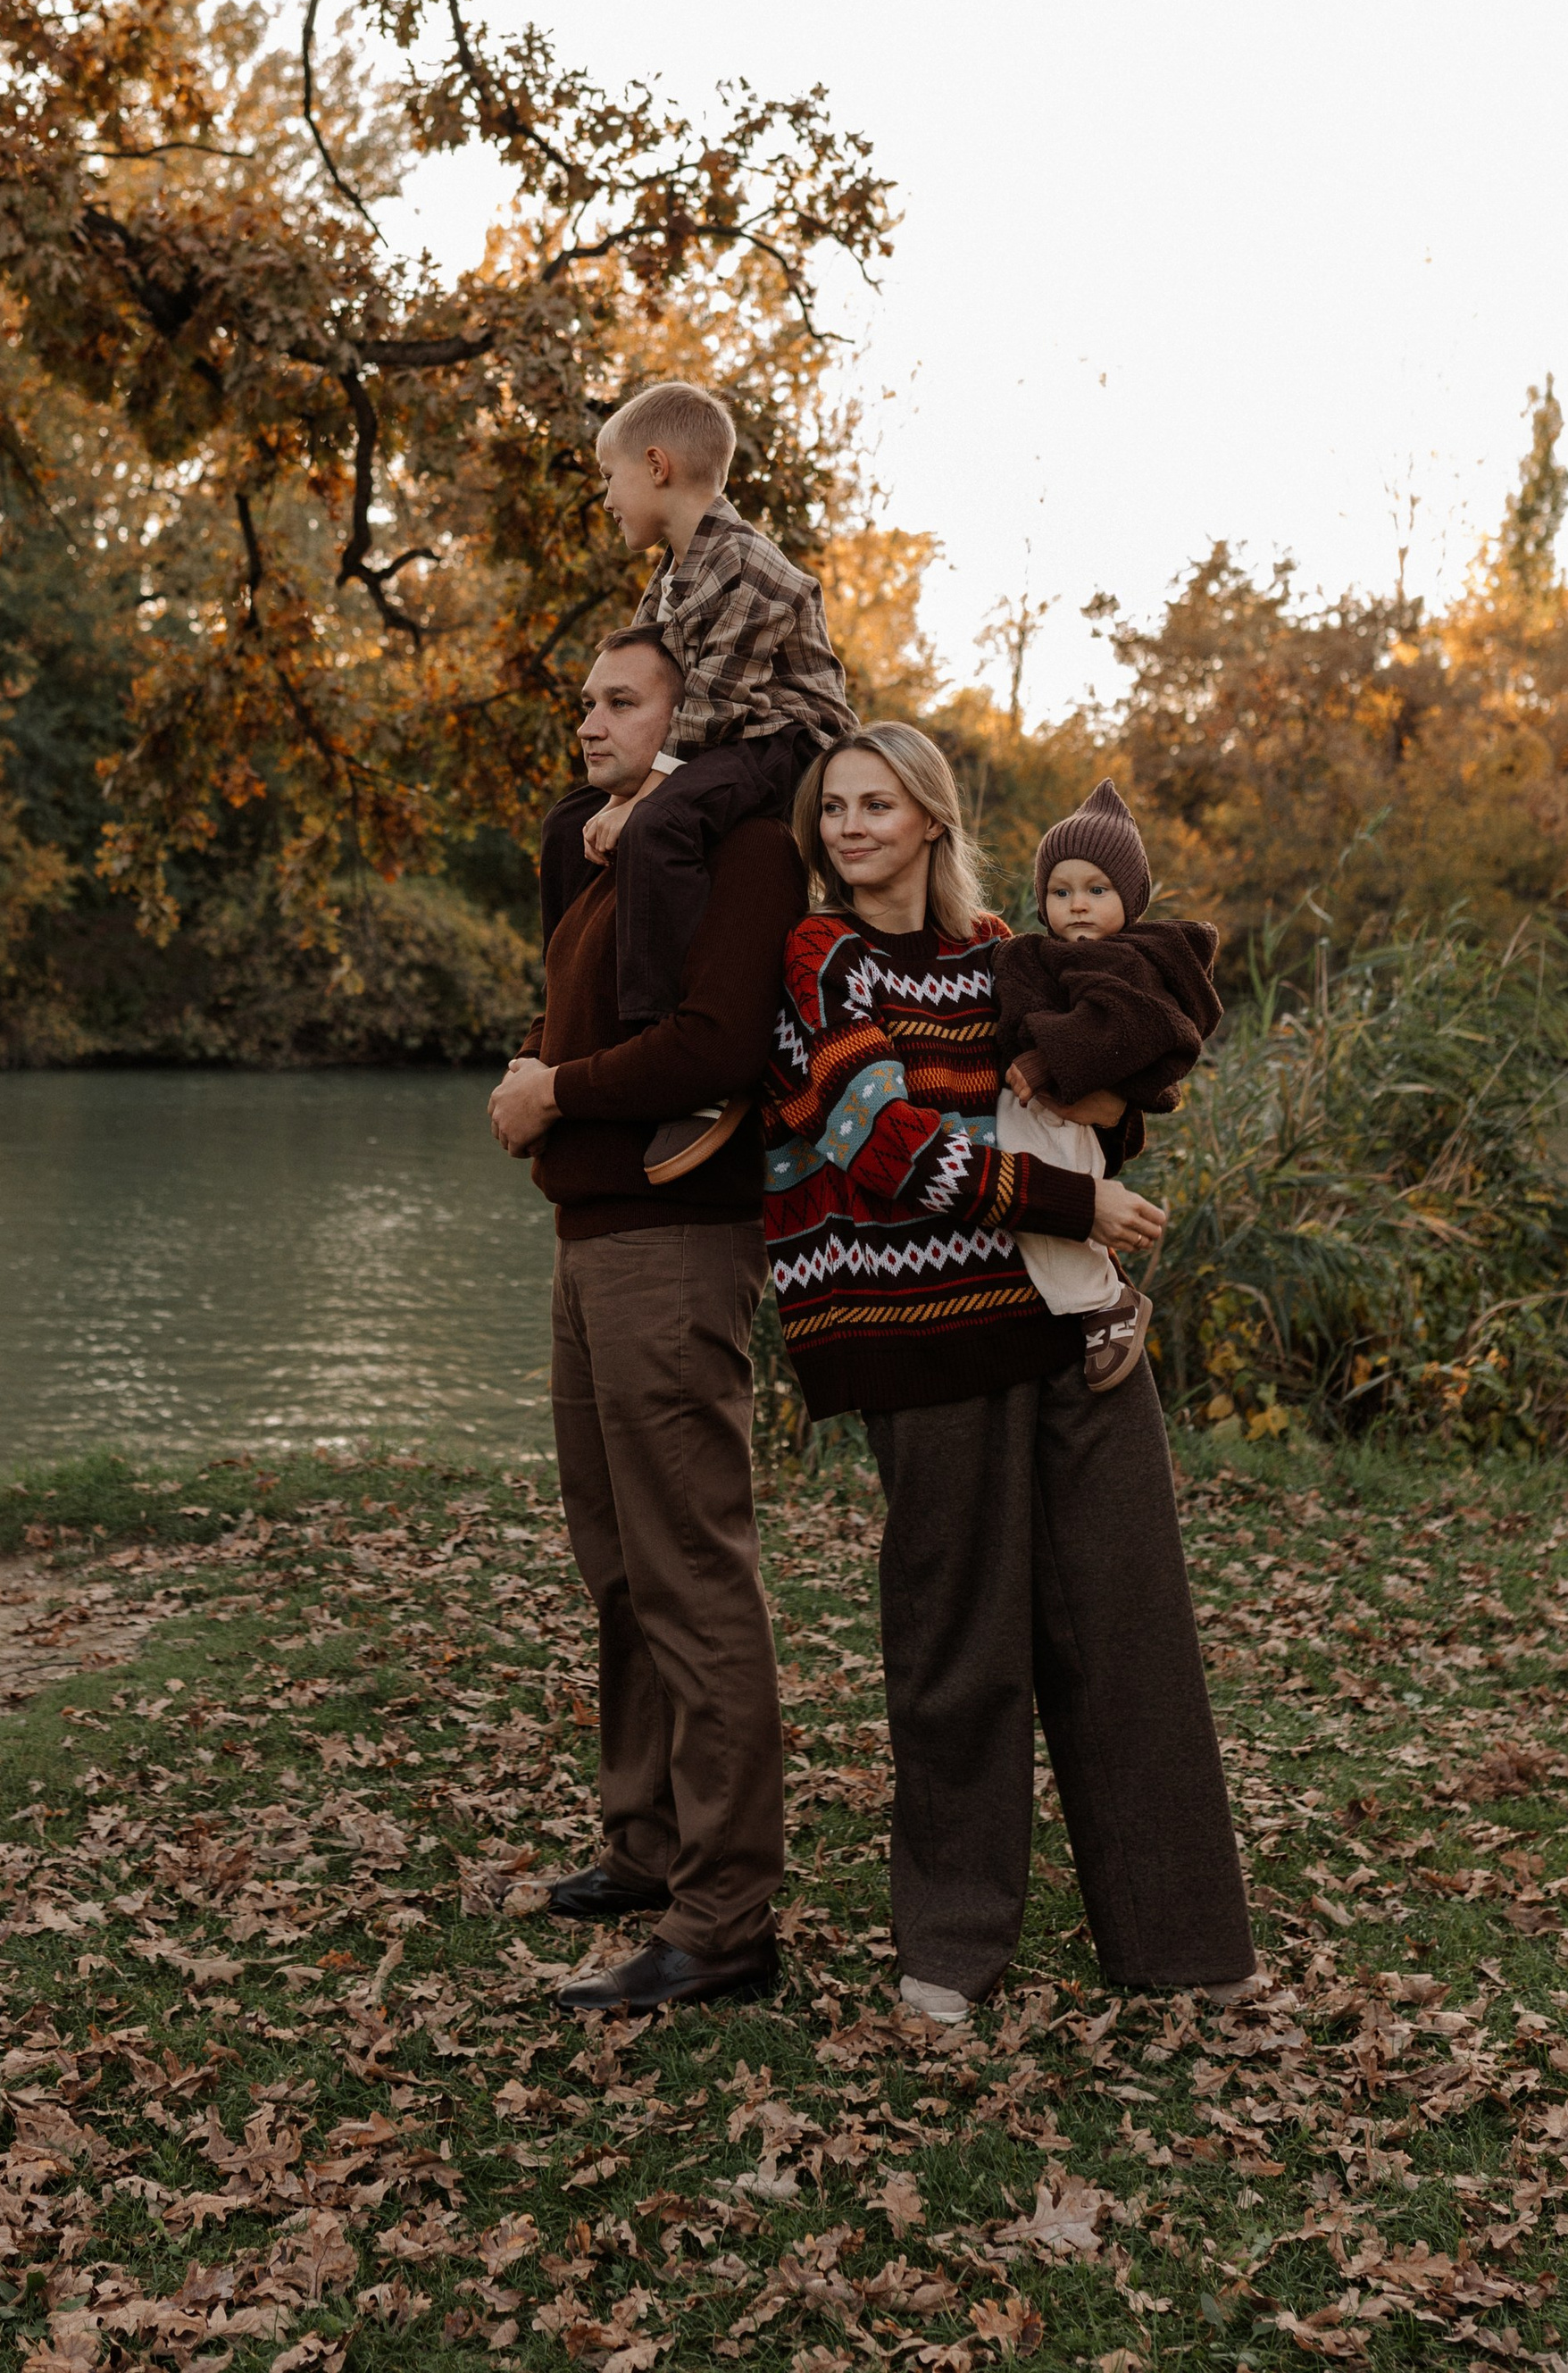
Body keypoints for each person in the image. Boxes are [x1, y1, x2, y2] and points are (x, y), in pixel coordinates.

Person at [763, 722, 1257, 2024]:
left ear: (931, 818)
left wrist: (1115, 1117)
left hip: (1064, 1320)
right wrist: (1065, 1198)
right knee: (958, 1646)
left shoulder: (1002, 954)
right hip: (921, 1338)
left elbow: (1114, 1062)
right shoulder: (822, 958)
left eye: (877, 805)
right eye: (833, 811)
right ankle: (953, 1953)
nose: (849, 828)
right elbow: (877, 1141)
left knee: (1128, 1630)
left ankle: (1179, 1945)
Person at [490, 627, 805, 2017]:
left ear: (697, 712)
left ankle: (727, 1916)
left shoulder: (742, 853)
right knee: (615, 1561)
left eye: (621, 702)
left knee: (690, 1572)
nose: (587, 722)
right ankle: (651, 1842)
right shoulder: (625, 847)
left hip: (676, 1242)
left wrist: (554, 1093)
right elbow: (568, 847)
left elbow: (716, 1049)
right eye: (584, 701)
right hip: (591, 1233)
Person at [538, 383, 852, 1178]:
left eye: (610, 477)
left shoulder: (746, 560)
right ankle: (575, 1013)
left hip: (783, 736)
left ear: (657, 465)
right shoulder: (672, 573)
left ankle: (665, 1044)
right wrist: (611, 796)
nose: (606, 496)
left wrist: (641, 798)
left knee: (660, 825)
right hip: (716, 739)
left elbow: (711, 700)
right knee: (567, 819)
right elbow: (657, 675)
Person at [989, 778, 1223, 1394]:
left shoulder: (1128, 961)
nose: (1079, 905)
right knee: (1028, 1203)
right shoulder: (1035, 954)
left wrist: (1047, 1059)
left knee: (1051, 1202)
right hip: (1033, 1113)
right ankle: (1092, 1302)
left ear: (1131, 899)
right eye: (1061, 892)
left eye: (1098, 889)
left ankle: (1105, 1303)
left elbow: (1132, 1025)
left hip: (1068, 1118)